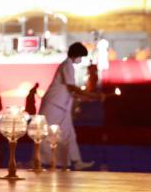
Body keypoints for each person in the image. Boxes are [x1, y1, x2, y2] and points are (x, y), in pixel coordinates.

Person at [39, 42, 104, 170]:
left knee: (69, 134)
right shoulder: (67, 65)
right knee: (45, 133)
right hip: (53, 104)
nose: (82, 59)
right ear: (77, 54)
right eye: (81, 56)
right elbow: (71, 87)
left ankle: (76, 161)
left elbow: (71, 92)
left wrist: (89, 97)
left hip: (62, 106)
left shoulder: (69, 66)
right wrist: (92, 95)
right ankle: (39, 161)